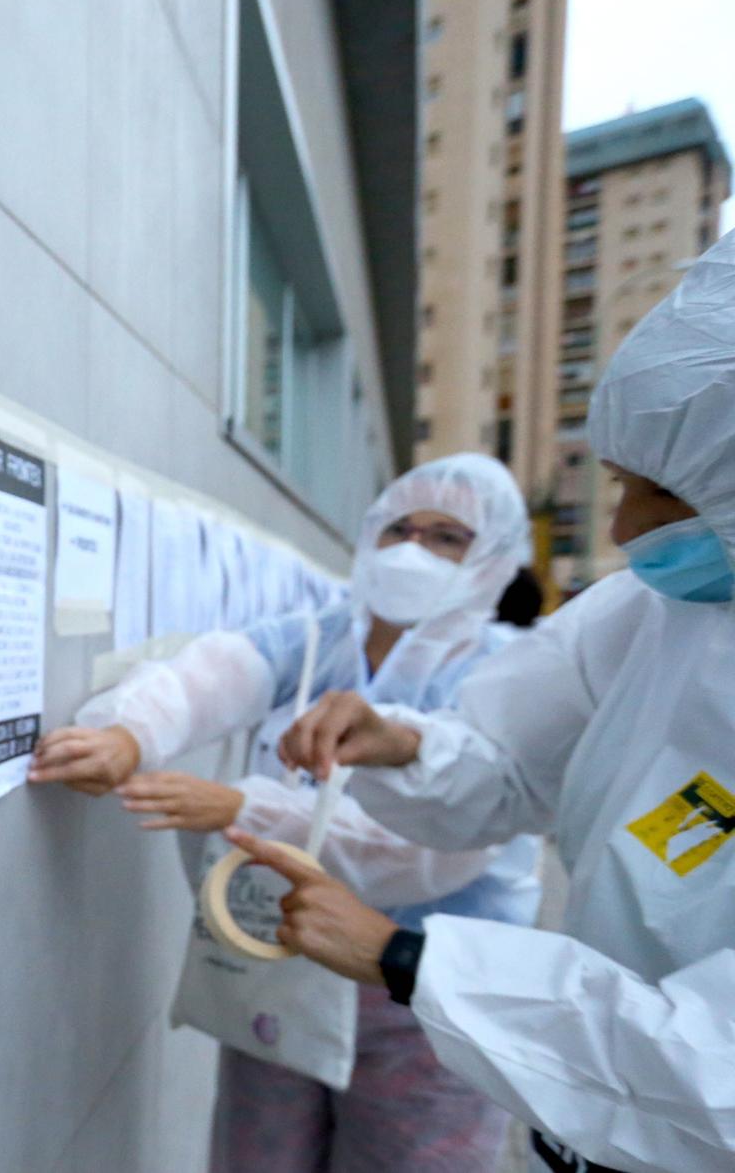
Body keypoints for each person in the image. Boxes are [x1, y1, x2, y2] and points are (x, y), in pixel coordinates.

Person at [253, 238, 735, 1173]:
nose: (623, 528)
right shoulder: (655, 612)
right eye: (623, 481)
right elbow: (514, 764)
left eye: (667, 494)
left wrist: (408, 959)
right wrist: (399, 743)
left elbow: (711, 1073)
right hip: (562, 1113)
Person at [28, 452, 541, 1173]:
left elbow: (443, 848)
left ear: (495, 558)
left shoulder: (513, 674)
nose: (413, 549)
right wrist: (126, 734)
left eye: (446, 536)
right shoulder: (320, 636)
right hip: (284, 956)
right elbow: (210, 675)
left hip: (426, 1001)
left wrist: (244, 808)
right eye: (400, 528)